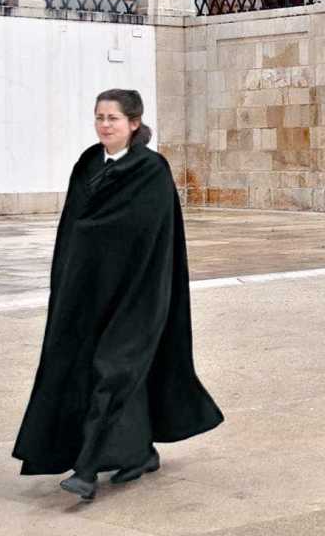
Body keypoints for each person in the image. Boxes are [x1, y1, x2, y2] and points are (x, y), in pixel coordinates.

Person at [13, 88, 222, 501]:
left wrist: (97, 237)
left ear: (134, 123)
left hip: (138, 291)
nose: (104, 125)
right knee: (91, 369)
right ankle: (139, 452)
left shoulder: (151, 170)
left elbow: (144, 233)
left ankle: (86, 470)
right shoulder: (89, 164)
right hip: (90, 293)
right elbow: (74, 228)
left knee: (115, 369)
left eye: (112, 118)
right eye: (99, 118)